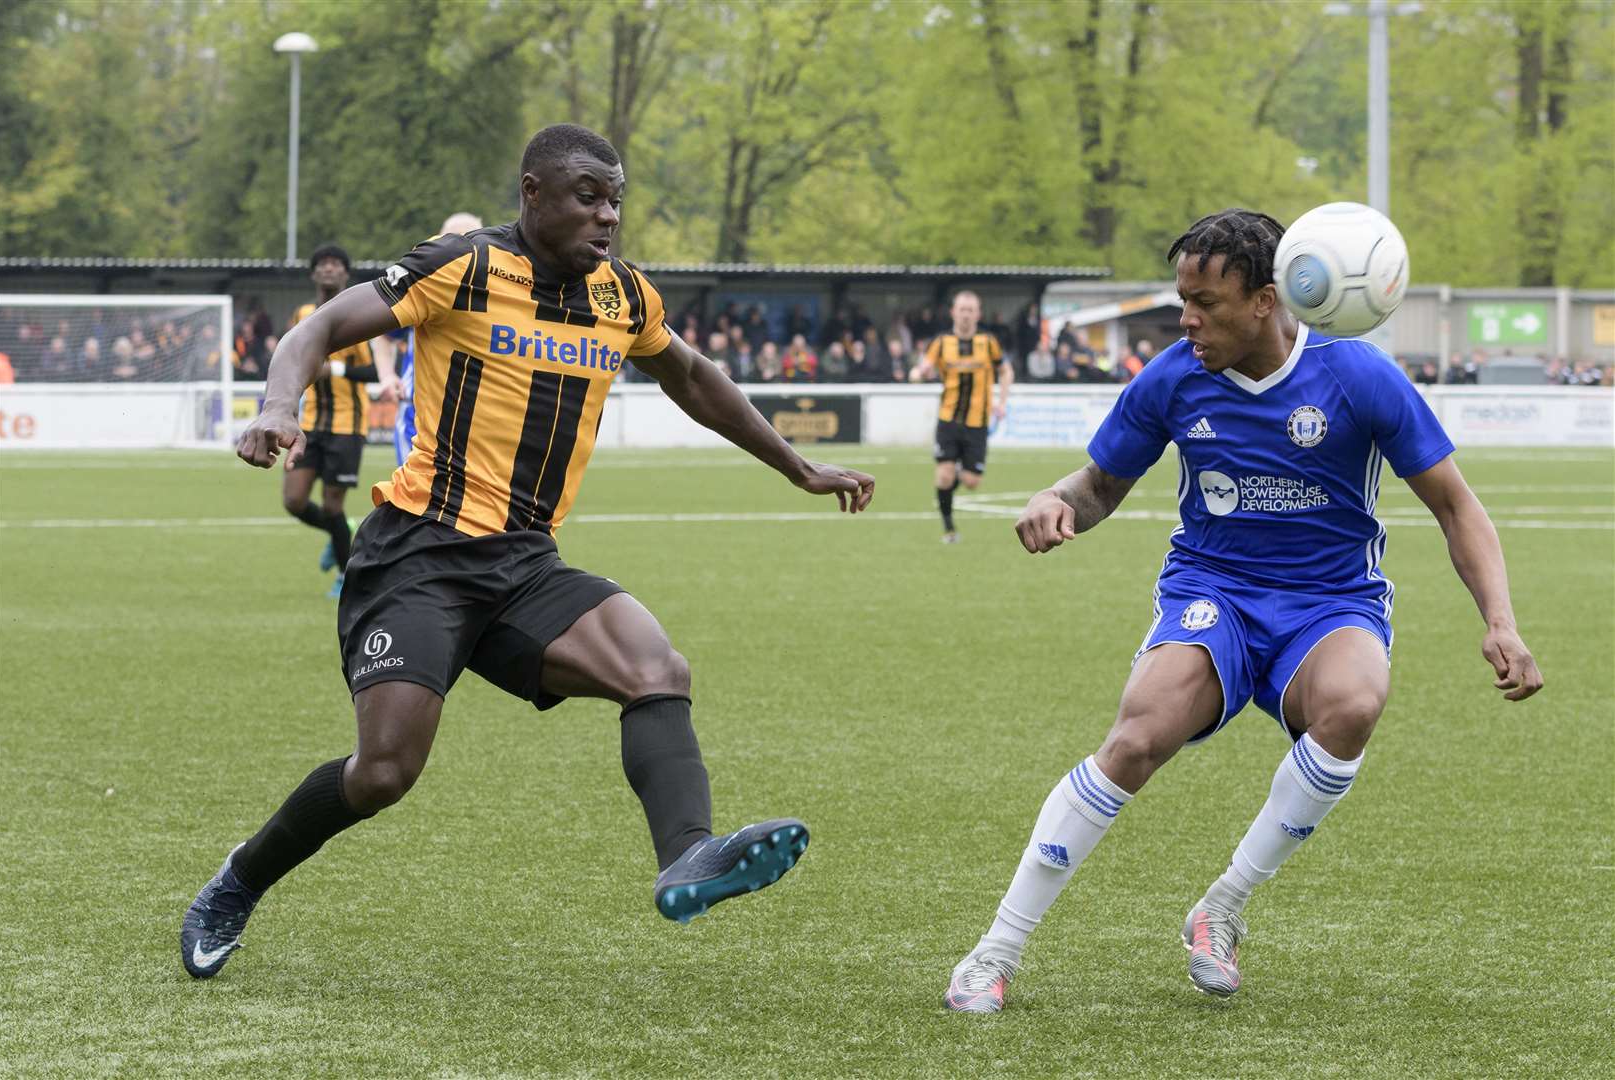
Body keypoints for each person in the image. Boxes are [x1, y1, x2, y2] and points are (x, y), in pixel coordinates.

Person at [180, 123, 875, 981]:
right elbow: (318, 329)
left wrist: (797, 465)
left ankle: (689, 854)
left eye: (616, 199)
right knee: (385, 772)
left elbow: (694, 378)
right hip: (418, 557)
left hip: (524, 564)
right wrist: (279, 406)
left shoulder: (622, 296)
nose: (608, 215)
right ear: (533, 193)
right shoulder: (462, 267)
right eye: (589, 195)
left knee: (656, 668)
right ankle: (237, 881)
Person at [942, 208, 1542, 1014]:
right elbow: (1099, 487)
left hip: (1330, 600)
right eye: (1182, 299)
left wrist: (1501, 621)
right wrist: (1055, 501)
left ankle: (1220, 906)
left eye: (1205, 303)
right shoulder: (1172, 377)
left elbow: (1456, 507)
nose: (1187, 319)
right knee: (1136, 736)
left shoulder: (1356, 377)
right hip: (1212, 593)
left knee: (1354, 704)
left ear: (1266, 299)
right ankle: (994, 952)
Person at [282, 243, 399, 599]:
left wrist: (337, 368)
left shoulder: (358, 316)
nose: (329, 269)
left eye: (336, 264)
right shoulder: (302, 313)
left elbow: (373, 371)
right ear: (314, 273)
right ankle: (340, 531)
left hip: (348, 427)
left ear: (346, 274)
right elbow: (293, 355)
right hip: (311, 424)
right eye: (323, 264)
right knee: (294, 501)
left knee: (332, 503)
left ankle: (346, 577)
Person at [915, 290, 1011, 543]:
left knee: (971, 481)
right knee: (944, 474)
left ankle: (946, 487)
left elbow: (1006, 370)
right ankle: (949, 530)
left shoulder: (988, 342)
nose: (966, 314)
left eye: (971, 310)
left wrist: (1002, 401)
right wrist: (919, 372)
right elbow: (923, 367)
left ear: (978, 314)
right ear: (953, 312)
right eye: (962, 309)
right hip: (948, 419)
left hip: (978, 422)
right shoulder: (942, 342)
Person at [390, 212, 483, 471]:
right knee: (416, 500)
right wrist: (387, 376)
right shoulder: (424, 288)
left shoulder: (496, 292)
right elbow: (383, 334)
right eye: (454, 238)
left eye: (471, 238)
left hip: (477, 419)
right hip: (419, 417)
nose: (464, 245)